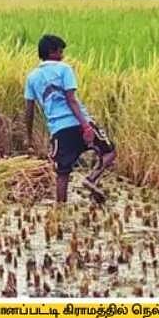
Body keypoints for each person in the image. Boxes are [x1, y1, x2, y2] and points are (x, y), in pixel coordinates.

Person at [24, 35, 115, 205]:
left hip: (58, 130)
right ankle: (91, 178)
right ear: (52, 52)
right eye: (61, 51)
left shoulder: (32, 77)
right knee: (108, 151)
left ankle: (60, 209)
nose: (63, 55)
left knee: (62, 173)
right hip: (77, 122)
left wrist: (28, 137)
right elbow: (71, 99)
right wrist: (85, 125)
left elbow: (29, 111)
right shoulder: (64, 69)